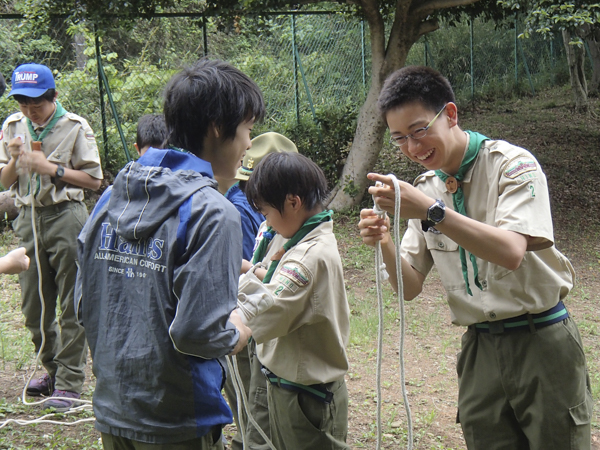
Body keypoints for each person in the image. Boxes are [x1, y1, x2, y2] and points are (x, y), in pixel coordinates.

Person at [358, 65, 592, 449]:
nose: (413, 148)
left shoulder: (513, 165)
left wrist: (433, 211)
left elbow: (512, 252)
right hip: (480, 349)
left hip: (542, 342)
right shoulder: (426, 188)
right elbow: (409, 285)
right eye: (399, 138)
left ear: (450, 114)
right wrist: (384, 241)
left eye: (419, 130)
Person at [75, 58, 261, 449]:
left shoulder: (110, 196)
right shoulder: (215, 212)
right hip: (178, 420)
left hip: (113, 411)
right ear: (217, 127)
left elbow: (82, 304)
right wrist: (239, 330)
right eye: (247, 130)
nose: (248, 144)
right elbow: (199, 334)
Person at [0, 63, 103, 411]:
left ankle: (71, 382)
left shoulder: (75, 127)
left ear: (53, 96)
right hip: (28, 219)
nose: (30, 109)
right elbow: (5, 181)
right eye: (23, 102)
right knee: (33, 306)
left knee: (72, 303)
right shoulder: (13, 126)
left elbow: (93, 181)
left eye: (37, 103)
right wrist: (15, 161)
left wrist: (51, 168)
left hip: (66, 216)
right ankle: (52, 370)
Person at [237, 151, 350, 450]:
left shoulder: (307, 258)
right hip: (287, 387)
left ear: (292, 202)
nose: (267, 223)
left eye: (266, 212)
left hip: (306, 399)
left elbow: (266, 307)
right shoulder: (297, 237)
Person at [220, 131, 298, 450]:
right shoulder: (243, 208)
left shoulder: (250, 208)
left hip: (252, 319)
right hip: (244, 318)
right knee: (252, 402)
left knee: (255, 404)